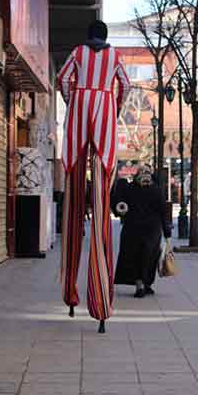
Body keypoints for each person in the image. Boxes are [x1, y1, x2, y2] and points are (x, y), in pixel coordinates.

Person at [57, 19, 130, 332]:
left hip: (79, 112)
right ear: (106, 37)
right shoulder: (114, 57)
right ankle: (101, 300)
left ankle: (70, 292)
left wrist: (73, 101)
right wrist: (113, 109)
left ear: (88, 37)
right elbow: (125, 85)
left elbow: (61, 79)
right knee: (101, 207)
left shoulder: (77, 52)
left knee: (74, 199)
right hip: (103, 112)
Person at [113, 165, 172, 298]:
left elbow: (163, 212)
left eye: (147, 173)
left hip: (142, 230)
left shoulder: (151, 190)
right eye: (143, 172)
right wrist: (167, 232)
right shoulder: (151, 190)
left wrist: (167, 232)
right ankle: (142, 284)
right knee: (143, 257)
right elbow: (120, 205)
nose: (145, 175)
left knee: (146, 257)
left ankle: (144, 284)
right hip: (142, 230)